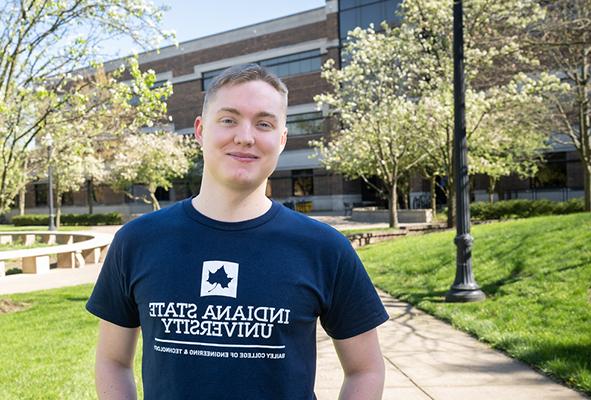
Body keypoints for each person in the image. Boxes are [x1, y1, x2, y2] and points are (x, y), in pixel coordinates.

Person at [86, 63, 389, 400]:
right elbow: (112, 360)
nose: (245, 136)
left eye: (264, 123)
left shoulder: (324, 248)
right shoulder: (137, 241)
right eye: (229, 119)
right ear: (200, 131)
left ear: (282, 139)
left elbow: (366, 369)